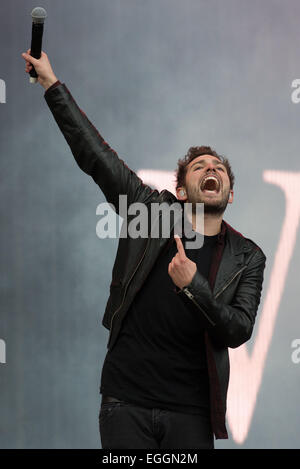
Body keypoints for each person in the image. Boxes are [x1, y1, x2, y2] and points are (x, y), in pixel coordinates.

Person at [21, 50, 267, 449]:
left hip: (191, 412)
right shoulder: (150, 213)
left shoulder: (247, 256)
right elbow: (95, 155)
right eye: (200, 165)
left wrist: (193, 286)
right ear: (182, 190)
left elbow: (238, 329)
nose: (211, 169)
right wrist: (51, 84)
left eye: (219, 167)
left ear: (230, 194)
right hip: (126, 403)